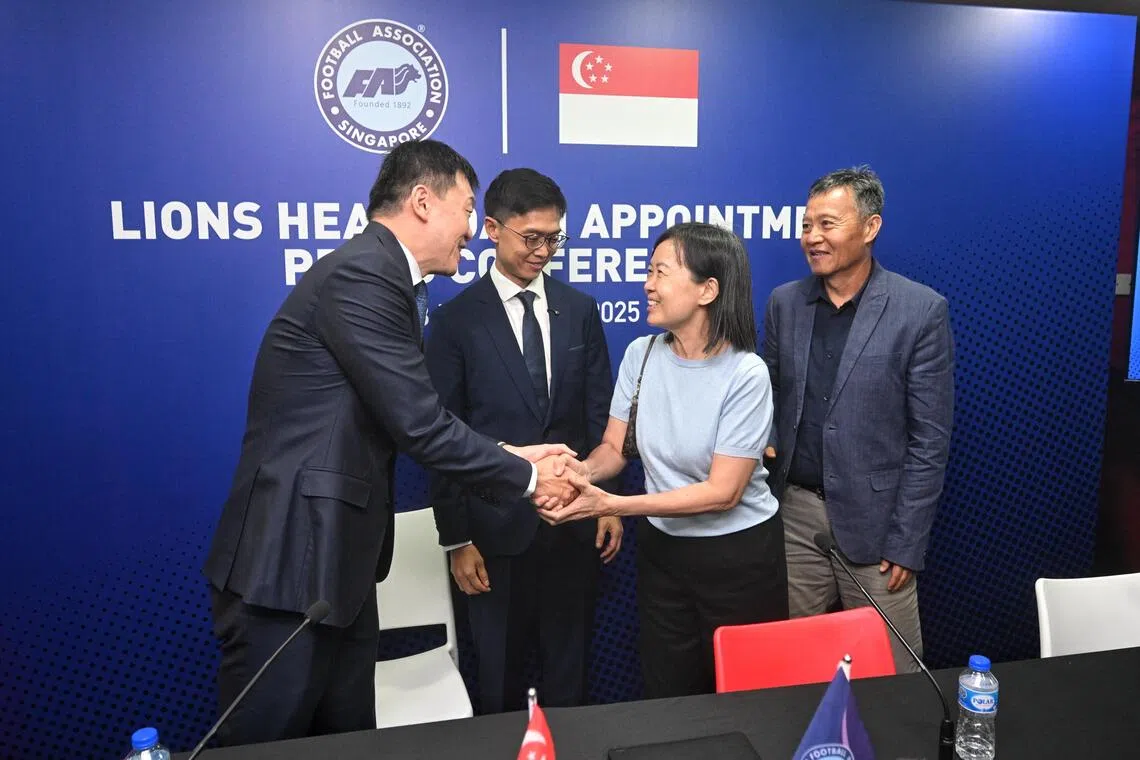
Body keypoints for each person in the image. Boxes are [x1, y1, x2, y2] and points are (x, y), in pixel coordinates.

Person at [202, 140, 576, 746]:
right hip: (293, 566)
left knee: (349, 742)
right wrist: (531, 479)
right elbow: (422, 425)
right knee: (268, 746)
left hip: (336, 568)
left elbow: (413, 418)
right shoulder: (365, 274)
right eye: (465, 210)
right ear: (423, 202)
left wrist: (516, 455)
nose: (471, 232)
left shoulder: (386, 278)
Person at [538, 222, 788, 698]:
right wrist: (581, 473)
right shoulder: (642, 354)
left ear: (707, 290)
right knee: (668, 692)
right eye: (648, 271)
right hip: (663, 555)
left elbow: (723, 493)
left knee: (748, 697)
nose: (647, 284)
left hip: (738, 560)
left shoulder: (746, 373)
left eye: (660, 272)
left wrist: (612, 505)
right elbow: (614, 449)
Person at [425, 168, 622, 713]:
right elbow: (443, 437)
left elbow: (598, 418)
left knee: (570, 670)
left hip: (573, 521)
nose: (543, 250)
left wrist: (605, 504)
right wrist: (457, 538)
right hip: (492, 534)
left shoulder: (580, 311)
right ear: (492, 228)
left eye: (553, 237)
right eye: (530, 237)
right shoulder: (455, 322)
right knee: (498, 676)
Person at [760, 165, 954, 673]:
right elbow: (771, 399)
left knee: (894, 679)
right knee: (787, 672)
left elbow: (929, 440)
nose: (812, 238)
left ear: (870, 228)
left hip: (879, 529)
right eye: (806, 225)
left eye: (827, 224)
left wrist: (907, 539)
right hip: (794, 518)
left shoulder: (920, 311)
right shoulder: (785, 304)